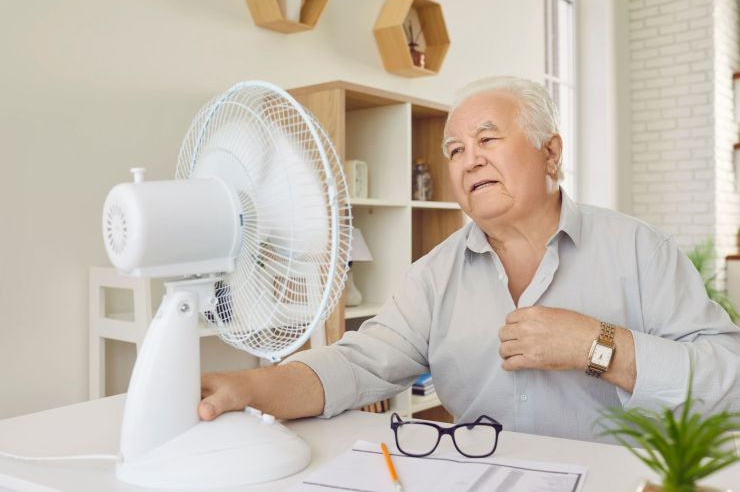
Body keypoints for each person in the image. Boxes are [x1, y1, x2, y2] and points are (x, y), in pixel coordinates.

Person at [198, 76, 740, 443]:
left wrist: (595, 346)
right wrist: (249, 388)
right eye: (454, 150)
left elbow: (728, 380)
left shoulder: (641, 250)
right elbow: (358, 365)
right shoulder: (434, 274)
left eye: (487, 139)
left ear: (551, 152)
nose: (468, 159)